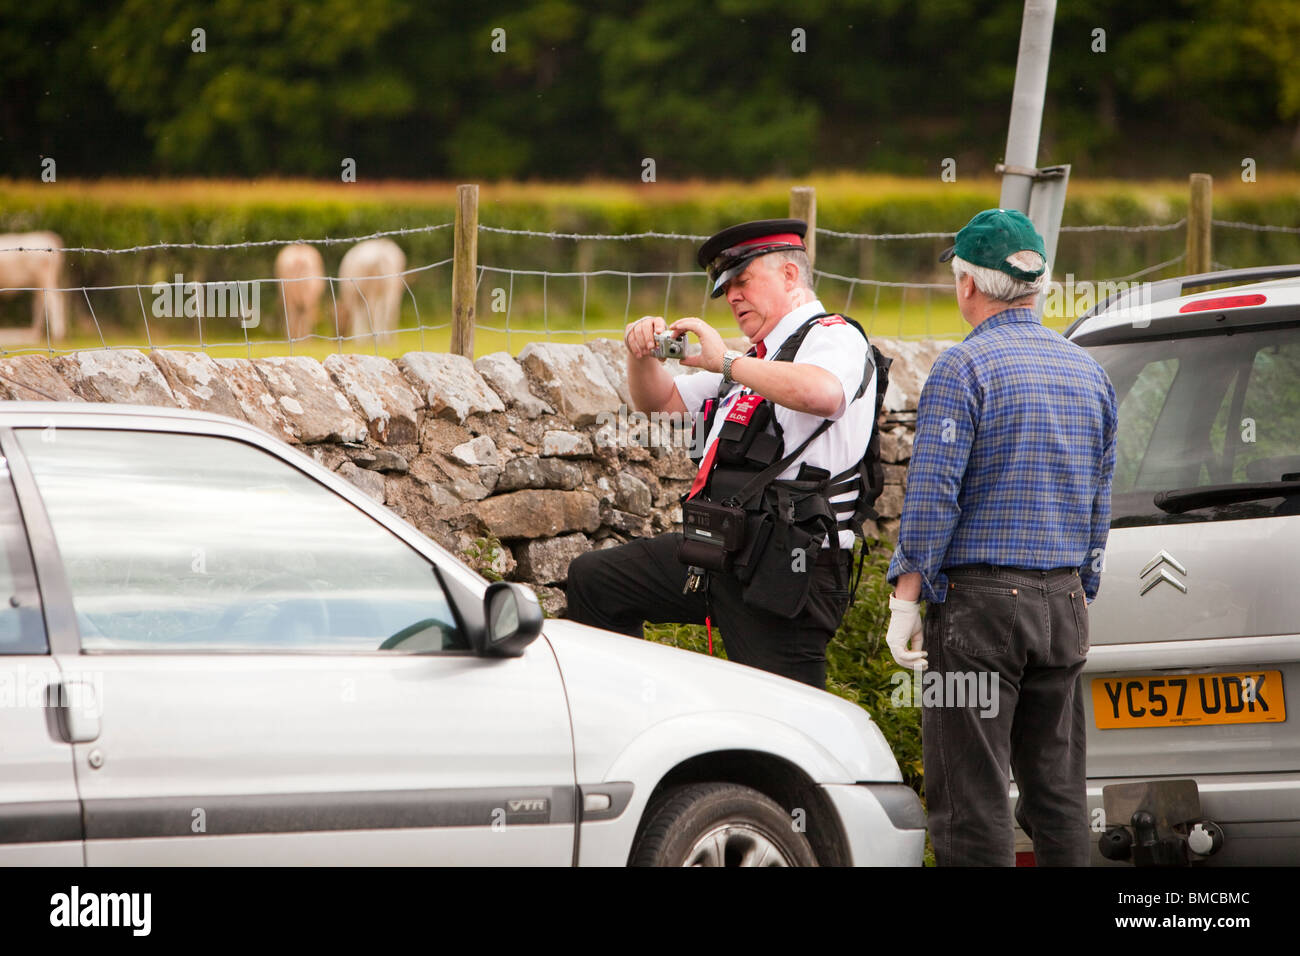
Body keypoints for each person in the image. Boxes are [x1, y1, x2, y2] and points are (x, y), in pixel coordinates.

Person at [883, 208, 1118, 866]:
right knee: (1057, 794)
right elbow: (1101, 502)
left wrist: (907, 599)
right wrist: (1081, 587)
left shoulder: (962, 368)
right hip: (1065, 605)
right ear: (1038, 287)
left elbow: (933, 498)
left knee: (969, 795)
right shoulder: (1089, 373)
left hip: (981, 612)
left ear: (967, 286)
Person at [565, 219, 879, 689]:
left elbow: (825, 393)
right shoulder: (759, 358)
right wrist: (641, 354)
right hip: (725, 551)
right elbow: (660, 403)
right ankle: (628, 715)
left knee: (788, 721)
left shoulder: (832, 337)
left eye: (743, 281)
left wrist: (727, 361)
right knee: (596, 580)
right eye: (726, 286)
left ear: (790, 276)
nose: (732, 296)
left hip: (791, 563)